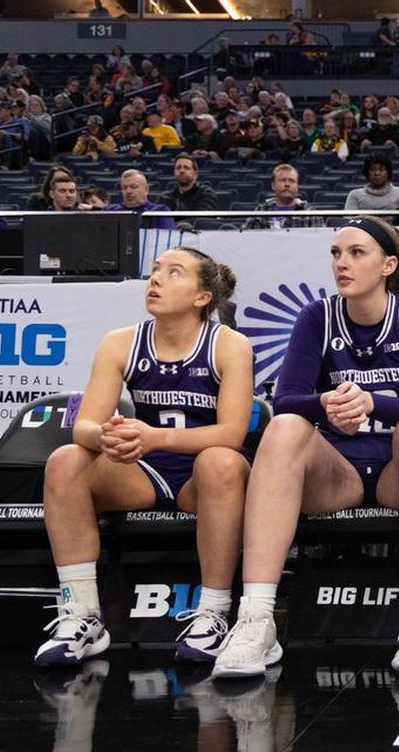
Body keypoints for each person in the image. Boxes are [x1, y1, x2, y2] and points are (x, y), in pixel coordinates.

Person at [213, 218, 399, 679]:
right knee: (285, 425)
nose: (341, 263)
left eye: (355, 253)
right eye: (335, 253)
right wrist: (325, 403)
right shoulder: (317, 316)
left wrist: (372, 403)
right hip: (339, 475)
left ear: (389, 264)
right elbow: (285, 398)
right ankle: (257, 618)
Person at [34, 248, 253, 666]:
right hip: (143, 467)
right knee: (66, 459)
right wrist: (107, 437)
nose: (155, 280)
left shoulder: (229, 344)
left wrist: (156, 438)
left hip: (202, 475)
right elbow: (83, 425)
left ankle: (214, 612)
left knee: (220, 460)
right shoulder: (120, 341)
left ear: (202, 297)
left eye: (174, 274)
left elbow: (231, 433)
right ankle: (81, 614)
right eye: (154, 272)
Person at [245, 164, 321, 229]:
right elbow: (243, 239)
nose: (287, 184)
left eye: (291, 181)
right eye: (282, 180)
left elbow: (322, 242)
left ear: (297, 186)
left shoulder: (310, 212)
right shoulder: (261, 210)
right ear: (273, 185)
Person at [105, 169, 175, 230]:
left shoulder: (160, 211)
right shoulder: (110, 211)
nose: (128, 191)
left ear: (146, 189)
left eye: (133, 187)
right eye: (124, 188)